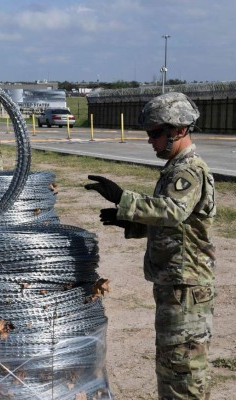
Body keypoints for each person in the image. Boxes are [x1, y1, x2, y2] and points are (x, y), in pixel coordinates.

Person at [85, 92, 216, 400]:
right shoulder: (174, 168)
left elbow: (173, 211)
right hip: (176, 285)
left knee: (183, 372)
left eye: (156, 133)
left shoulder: (188, 170)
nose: (150, 140)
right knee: (174, 367)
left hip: (186, 287)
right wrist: (129, 222)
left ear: (179, 130)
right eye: (149, 133)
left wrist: (123, 198)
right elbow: (178, 226)